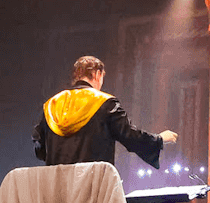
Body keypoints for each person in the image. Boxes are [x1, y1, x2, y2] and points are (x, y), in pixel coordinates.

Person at [34, 54, 178, 167]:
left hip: (59, 185)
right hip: (92, 184)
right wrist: (159, 139)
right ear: (97, 74)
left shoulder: (52, 104)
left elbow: (39, 148)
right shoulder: (105, 102)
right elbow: (129, 136)